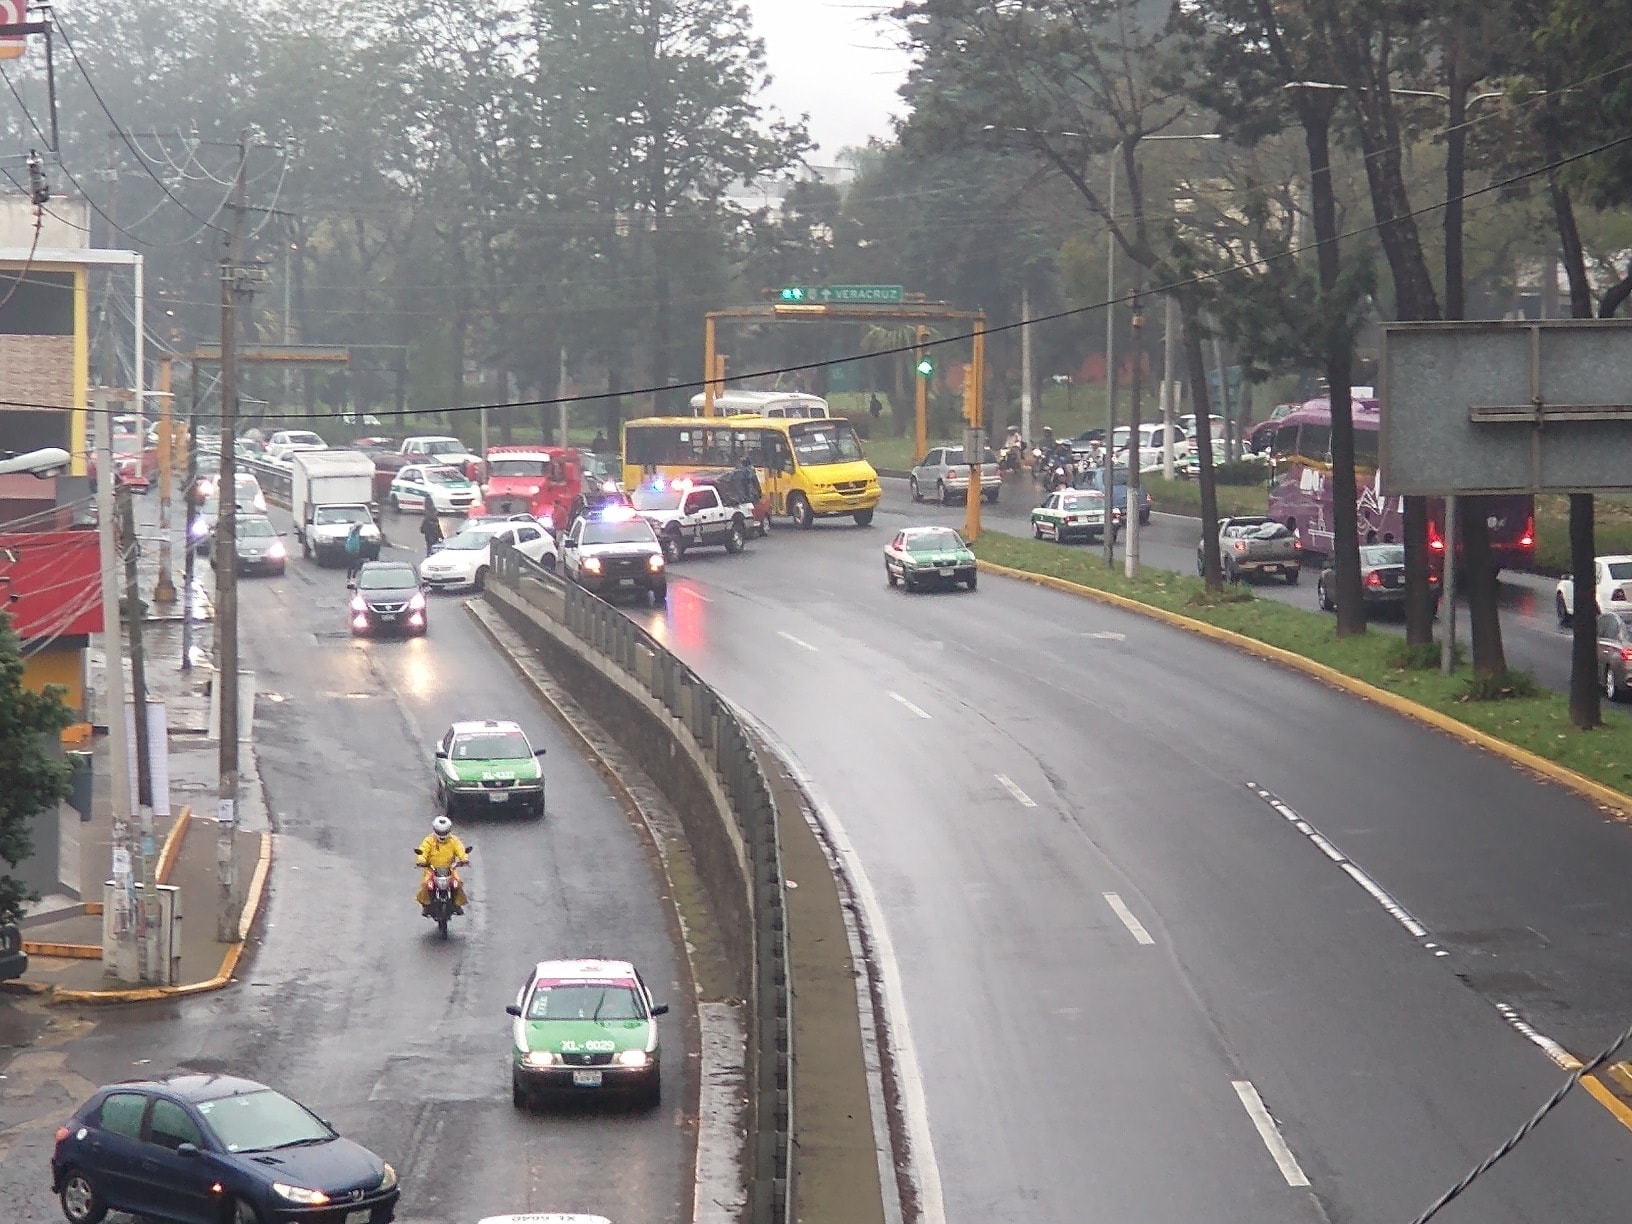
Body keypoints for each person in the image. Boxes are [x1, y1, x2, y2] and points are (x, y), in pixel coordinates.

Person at [415, 815, 470, 915]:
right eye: (440, 832)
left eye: (444, 832)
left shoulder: (454, 841)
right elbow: (423, 851)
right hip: (431, 869)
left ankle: (457, 905)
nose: (442, 835)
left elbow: (461, 849)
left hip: (450, 869)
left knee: (457, 883)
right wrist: (421, 861)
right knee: (426, 885)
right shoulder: (429, 840)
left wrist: (464, 859)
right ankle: (426, 906)